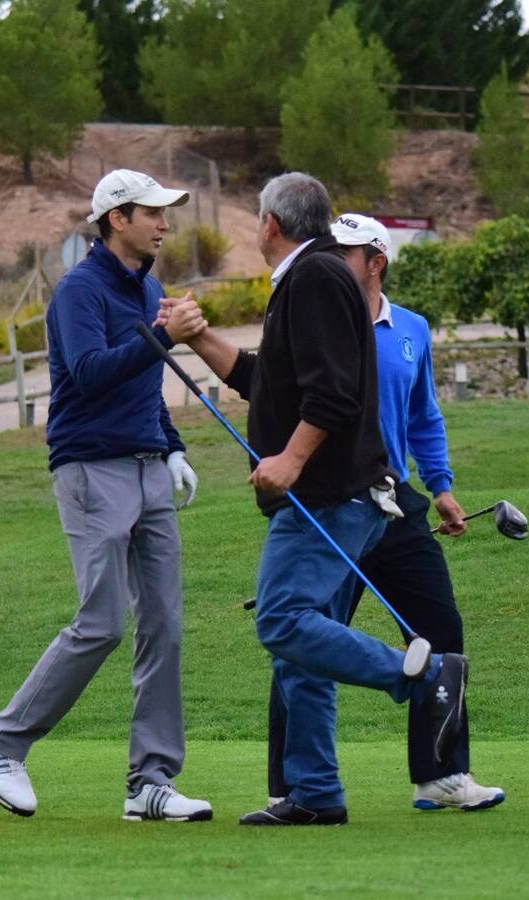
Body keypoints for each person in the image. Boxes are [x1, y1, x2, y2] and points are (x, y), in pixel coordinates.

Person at [160, 172, 468, 826]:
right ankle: (314, 793)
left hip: (329, 495)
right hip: (335, 493)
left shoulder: (314, 280)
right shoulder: (315, 280)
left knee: (281, 619)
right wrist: (194, 336)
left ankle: (418, 675)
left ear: (271, 225)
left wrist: (289, 461)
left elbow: (332, 395)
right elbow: (263, 380)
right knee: (301, 645)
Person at [0, 169, 211, 823]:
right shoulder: (78, 291)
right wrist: (167, 337)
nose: (164, 223)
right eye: (152, 213)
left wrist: (174, 443)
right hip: (89, 470)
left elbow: (145, 383)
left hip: (148, 466)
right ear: (116, 220)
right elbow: (92, 374)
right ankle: (3, 740)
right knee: (102, 622)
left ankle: (150, 782)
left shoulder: (150, 285)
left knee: (165, 624)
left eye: (165, 213)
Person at [265, 214, 505, 812]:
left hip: (395, 501)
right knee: (302, 638)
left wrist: (442, 485)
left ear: (377, 262)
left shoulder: (412, 330)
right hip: (337, 500)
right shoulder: (320, 320)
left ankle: (442, 778)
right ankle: (292, 785)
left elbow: (424, 415)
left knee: (440, 630)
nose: (331, 260)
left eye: (345, 253)